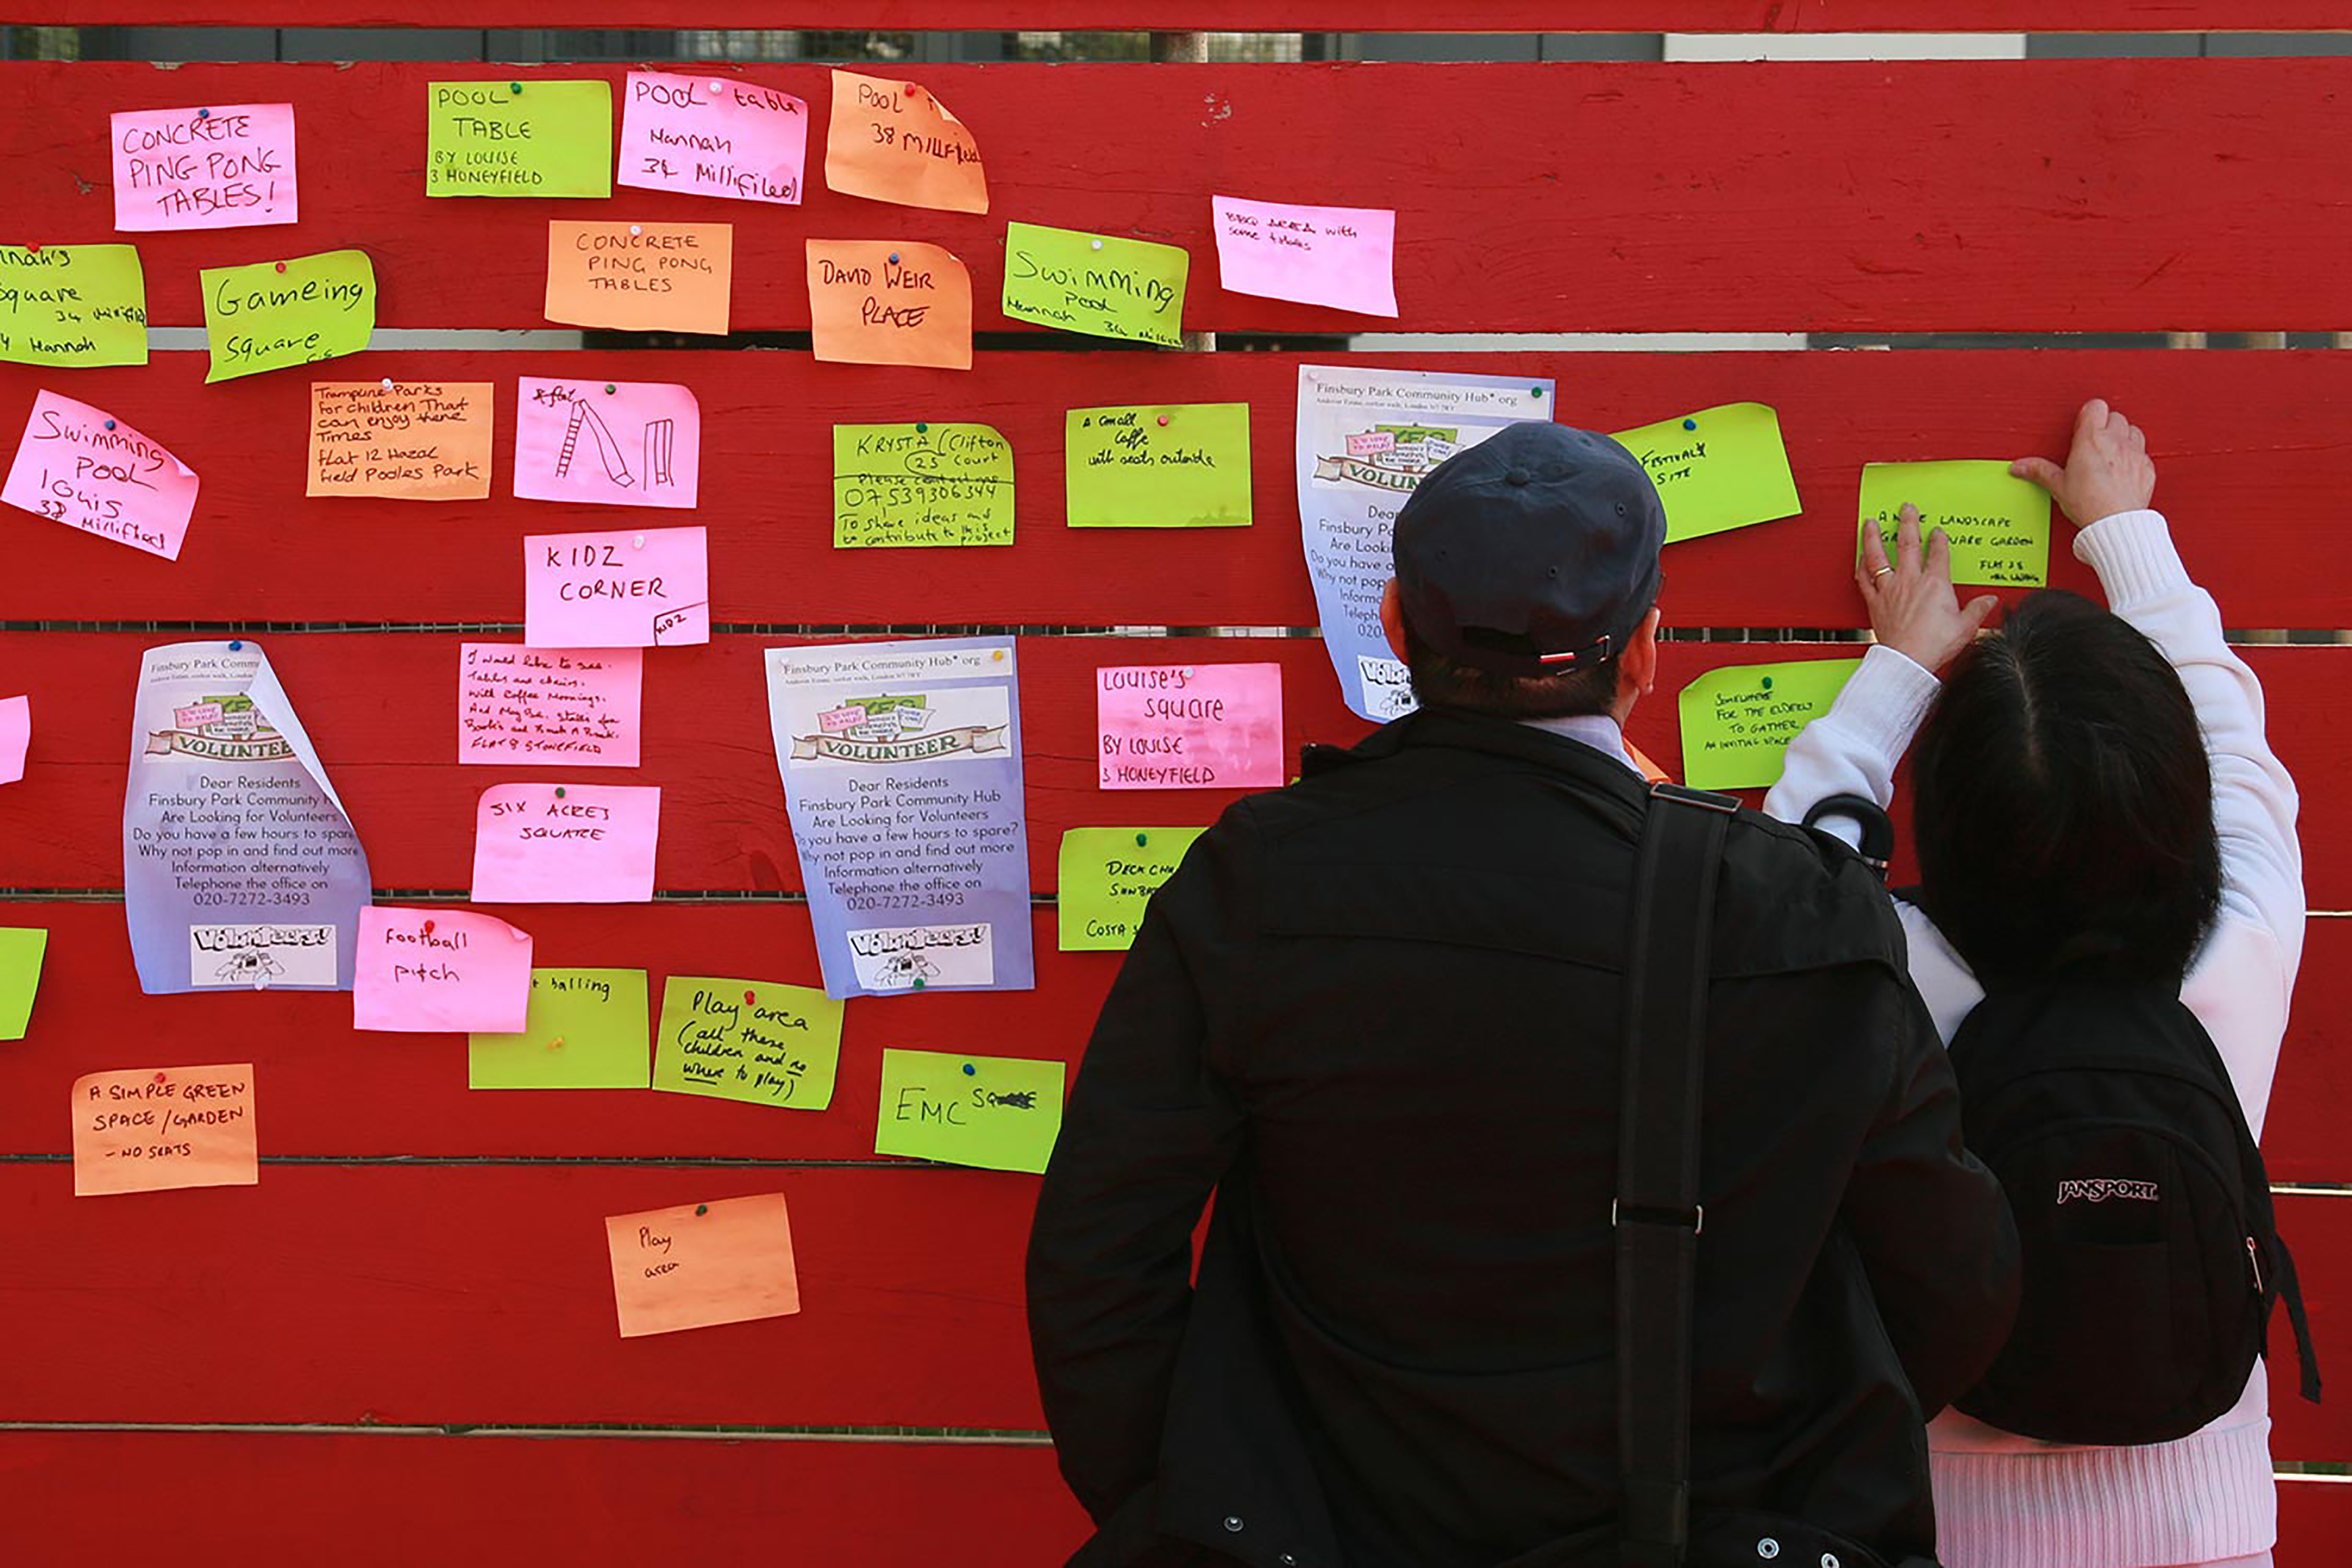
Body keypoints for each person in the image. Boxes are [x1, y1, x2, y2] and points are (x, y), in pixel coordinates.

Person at [1028, 420, 2020, 1568]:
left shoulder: (1255, 877)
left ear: (1395, 625)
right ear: (1646, 649)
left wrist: (1186, 1501)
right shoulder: (1786, 906)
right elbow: (1956, 1284)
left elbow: (1097, 1251)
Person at [1765, 399, 2301, 1568]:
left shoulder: (1886, 970)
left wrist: (1895, 670)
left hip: (1936, 1525)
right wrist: (2125, 534)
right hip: (2204, 1530)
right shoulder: (2241, 943)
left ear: (1942, 820)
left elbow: (1794, 860)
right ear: (2173, 800)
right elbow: (2235, 744)